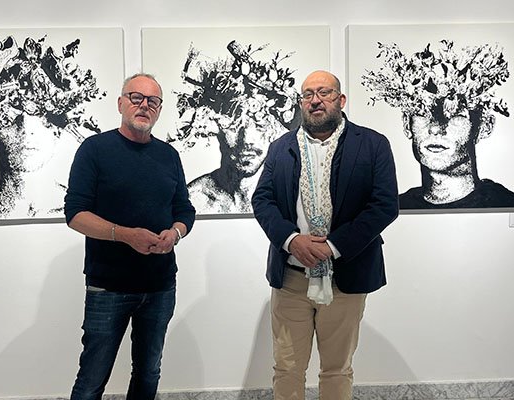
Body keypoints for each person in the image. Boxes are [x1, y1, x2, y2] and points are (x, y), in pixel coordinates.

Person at [251, 70, 399, 399]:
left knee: (337, 369)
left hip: (346, 277)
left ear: (341, 100)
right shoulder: (281, 148)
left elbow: (384, 206)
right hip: (291, 278)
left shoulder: (373, 145)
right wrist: (292, 240)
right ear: (301, 102)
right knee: (287, 368)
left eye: (325, 92)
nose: (315, 100)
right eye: (307, 94)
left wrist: (331, 247)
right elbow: (262, 200)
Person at [64, 73, 196, 400]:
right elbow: (75, 214)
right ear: (121, 103)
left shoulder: (169, 156)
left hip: (160, 284)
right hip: (108, 285)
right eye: (136, 97)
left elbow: (185, 210)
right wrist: (125, 236)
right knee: (92, 377)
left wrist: (175, 234)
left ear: (160, 109)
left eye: (153, 101)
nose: (144, 105)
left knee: (148, 372)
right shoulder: (95, 150)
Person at [0, 35, 105, 220]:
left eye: (44, 115)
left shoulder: (90, 214)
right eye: (10, 116)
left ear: (61, 127)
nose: (27, 128)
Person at [362, 40, 514, 210]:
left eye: (456, 114)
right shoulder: (394, 208)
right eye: (422, 111)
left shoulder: (507, 205)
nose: (435, 128)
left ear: (484, 126)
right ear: (407, 123)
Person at [173, 40, 301, 214]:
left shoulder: (292, 200)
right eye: (234, 124)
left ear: (275, 129)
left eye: (259, 122)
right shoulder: (195, 200)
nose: (247, 138)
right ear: (213, 124)